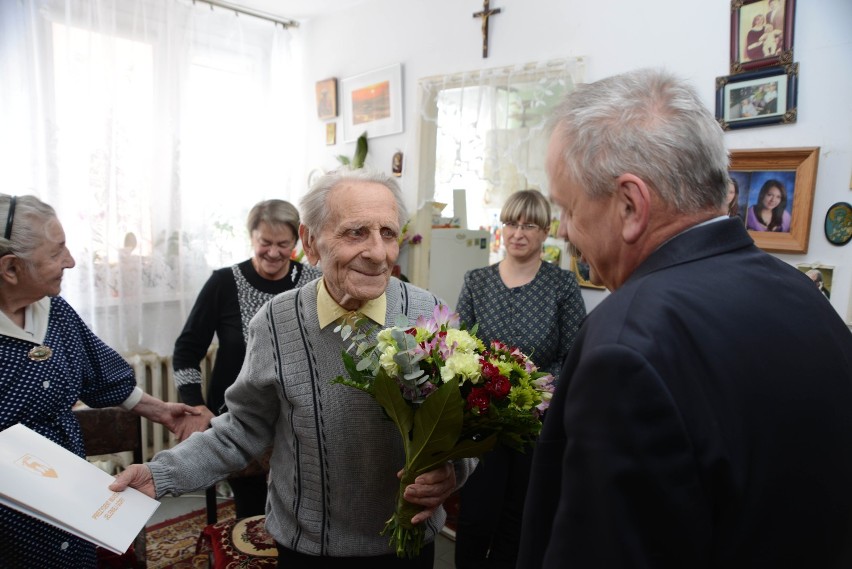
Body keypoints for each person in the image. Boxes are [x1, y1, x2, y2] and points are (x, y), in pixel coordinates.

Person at [517, 68, 852, 568]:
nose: (564, 230)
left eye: (567, 208)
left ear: (631, 205)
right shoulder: (804, 297)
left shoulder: (625, 346)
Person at [112, 168, 476, 568]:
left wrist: (453, 472)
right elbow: (240, 430)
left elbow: (467, 425)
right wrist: (161, 474)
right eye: (356, 232)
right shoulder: (275, 322)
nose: (378, 252)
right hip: (309, 548)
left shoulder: (428, 314)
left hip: (408, 543)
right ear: (310, 242)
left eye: (388, 233)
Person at [0, 194, 200, 567]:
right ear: (11, 268)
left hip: (70, 501)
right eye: (57, 252)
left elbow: (102, 375)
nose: (71, 261)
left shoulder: (54, 310)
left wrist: (165, 412)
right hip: (11, 522)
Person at [453, 189, 585, 569]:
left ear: (546, 232)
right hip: (482, 417)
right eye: (511, 223)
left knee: (520, 517)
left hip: (536, 422)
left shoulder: (562, 286)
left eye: (529, 225)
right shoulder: (477, 280)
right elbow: (462, 345)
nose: (518, 233)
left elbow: (571, 353)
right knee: (476, 516)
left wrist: (534, 392)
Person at [172, 199, 321, 518]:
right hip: (239, 420)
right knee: (252, 515)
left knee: (301, 510)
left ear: (296, 242)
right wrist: (194, 405)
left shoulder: (314, 283)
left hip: (297, 421)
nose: (273, 252)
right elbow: (186, 351)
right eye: (265, 242)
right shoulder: (223, 283)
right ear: (251, 237)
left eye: (283, 244)